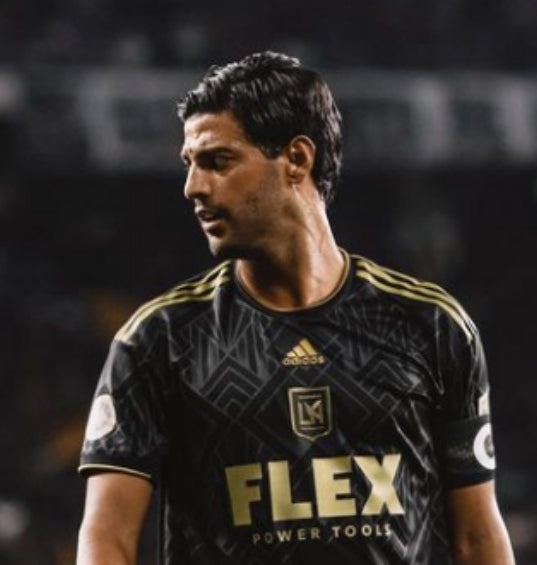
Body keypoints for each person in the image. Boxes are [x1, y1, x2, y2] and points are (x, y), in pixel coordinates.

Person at [77, 51, 514, 565]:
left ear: (297, 159)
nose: (193, 186)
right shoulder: (160, 340)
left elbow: (477, 539)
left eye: (217, 161)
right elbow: (107, 540)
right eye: (189, 164)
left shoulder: (430, 326)